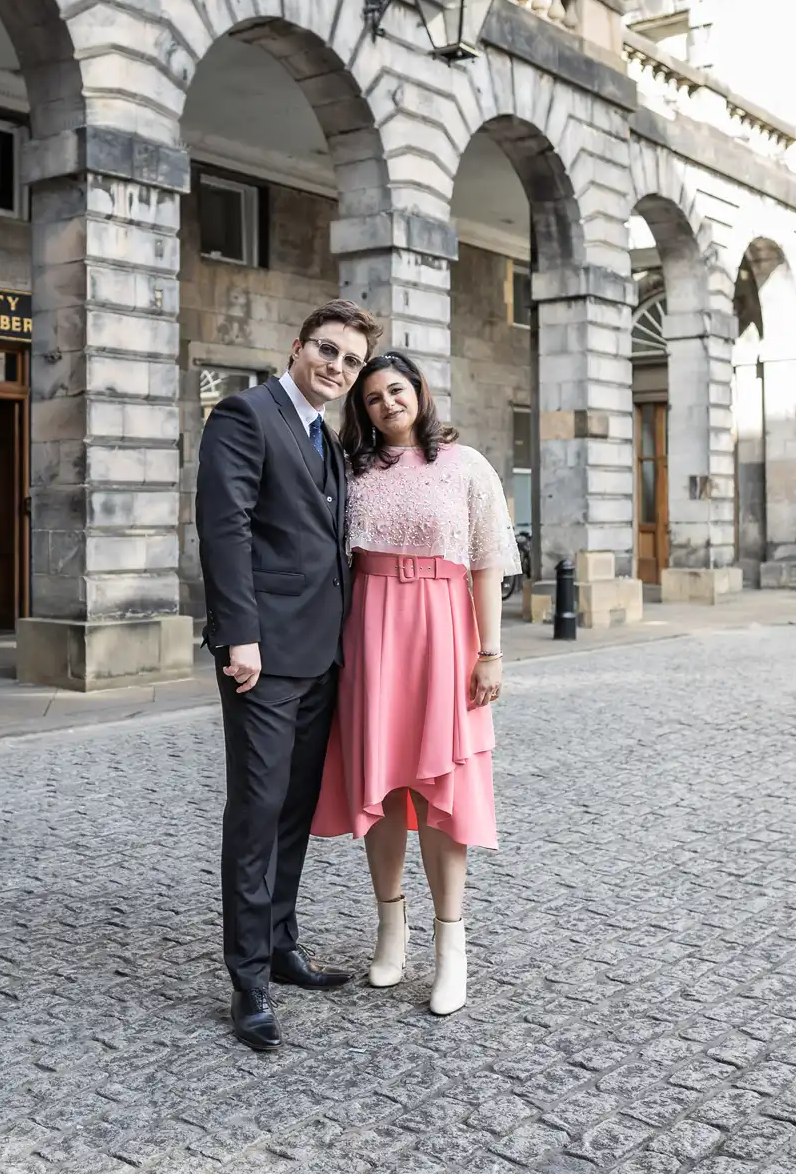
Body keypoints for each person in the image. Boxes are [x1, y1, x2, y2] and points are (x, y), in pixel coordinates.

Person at [196, 298, 383, 1052]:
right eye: (328, 351)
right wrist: (239, 635)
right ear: (297, 344)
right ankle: (247, 982)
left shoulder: (330, 442)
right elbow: (225, 526)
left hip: (322, 656)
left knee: (295, 812)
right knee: (257, 812)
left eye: (351, 360)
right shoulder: (245, 416)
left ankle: (280, 943)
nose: (337, 367)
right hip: (262, 658)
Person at [313, 350, 518, 1017]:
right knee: (383, 781)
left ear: (420, 392)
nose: (387, 404)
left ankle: (450, 945)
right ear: (362, 410)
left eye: (396, 390)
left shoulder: (466, 467)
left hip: (444, 630)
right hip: (371, 632)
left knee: (441, 787)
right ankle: (390, 927)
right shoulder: (352, 471)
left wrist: (490, 651)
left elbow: (486, 562)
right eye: (373, 398)